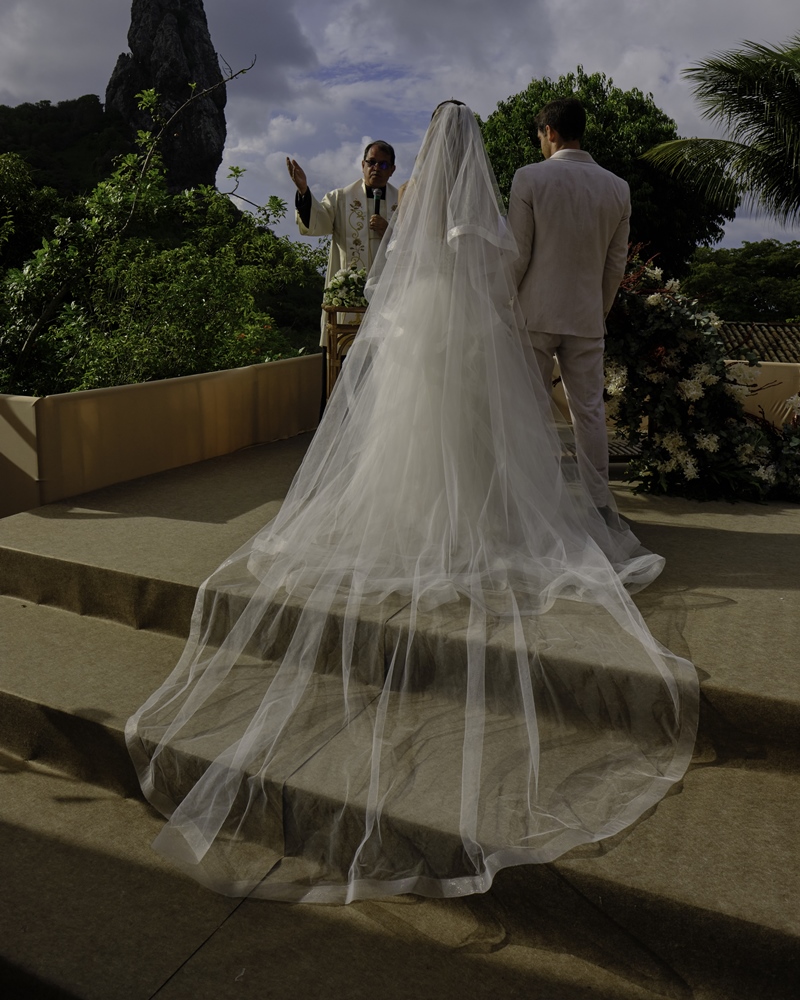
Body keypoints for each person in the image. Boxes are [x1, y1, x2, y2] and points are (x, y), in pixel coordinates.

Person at [127, 103, 697, 905]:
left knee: (416, 439)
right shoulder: (528, 194)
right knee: (536, 429)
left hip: (423, 333)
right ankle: (582, 507)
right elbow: (513, 262)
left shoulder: (438, 198)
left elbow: (413, 269)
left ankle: (430, 520)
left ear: (421, 153)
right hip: (501, 325)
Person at [507, 97, 629, 506]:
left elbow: (518, 255)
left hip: (534, 313)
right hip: (586, 314)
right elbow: (615, 266)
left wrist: (502, 302)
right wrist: (599, 309)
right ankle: (599, 503)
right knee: (590, 411)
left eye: (540, 136)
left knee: (532, 409)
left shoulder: (528, 178)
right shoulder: (618, 187)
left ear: (551, 134)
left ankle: (535, 502)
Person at [287, 141, 400, 345]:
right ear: (362, 165)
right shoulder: (340, 198)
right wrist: (304, 191)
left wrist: (390, 231)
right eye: (372, 162)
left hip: (390, 300)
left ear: (392, 170)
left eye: (383, 165)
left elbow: (416, 244)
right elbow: (317, 223)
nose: (376, 168)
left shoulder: (402, 203)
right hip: (349, 302)